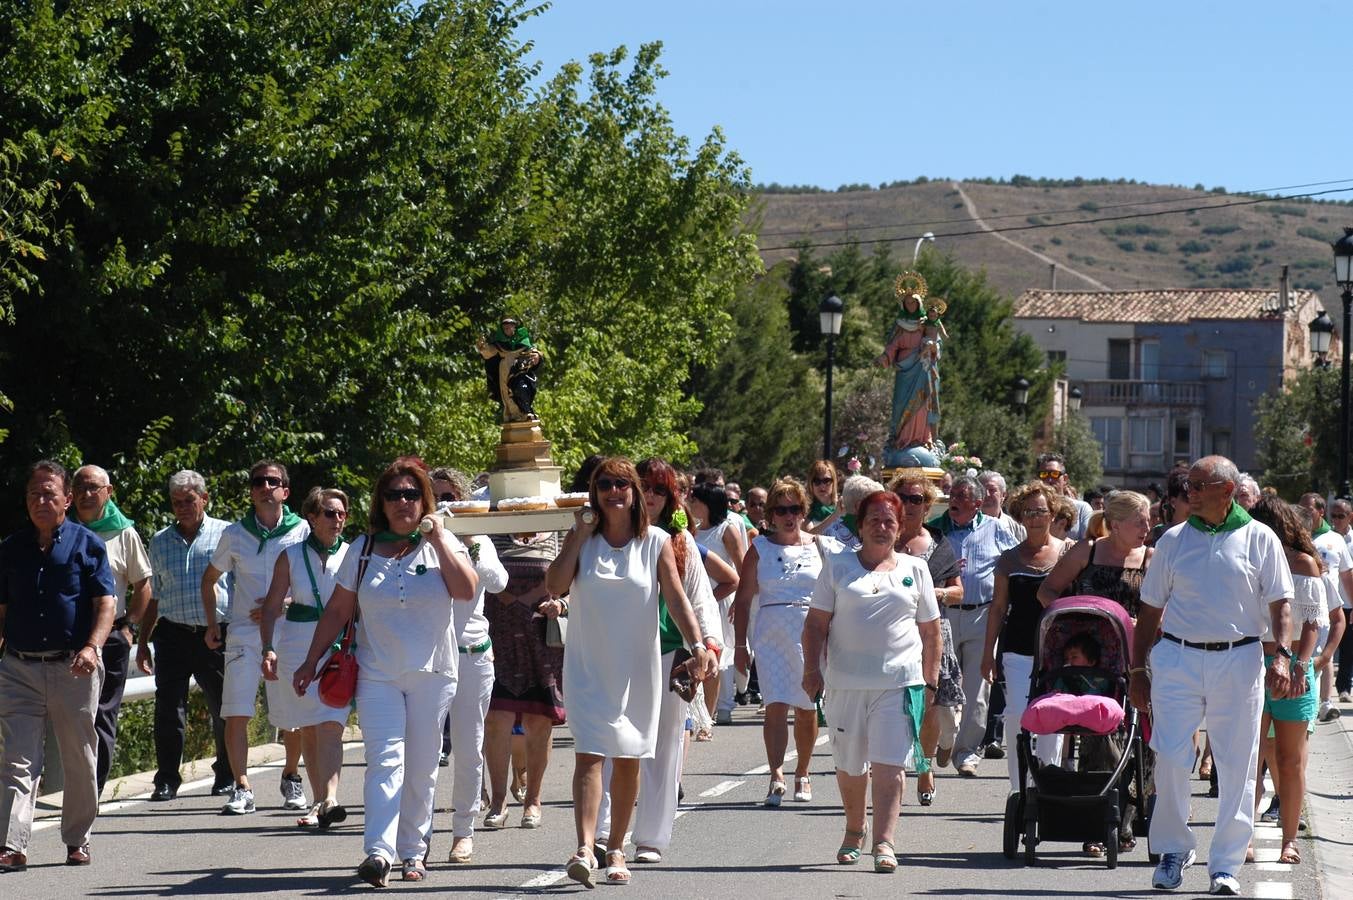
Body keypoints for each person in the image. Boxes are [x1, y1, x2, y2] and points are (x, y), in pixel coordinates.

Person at [294, 457, 478, 886]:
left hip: (432, 673)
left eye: (411, 494)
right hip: (377, 673)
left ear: (424, 500)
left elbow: (466, 589)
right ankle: (379, 852)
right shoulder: (361, 548)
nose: (402, 502)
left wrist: (437, 542)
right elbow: (339, 609)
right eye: (393, 495)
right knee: (384, 761)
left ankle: (414, 851)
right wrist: (310, 660)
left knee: (421, 765)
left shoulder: (441, 544)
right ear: (381, 502)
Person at [545, 457, 714, 888]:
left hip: (638, 668)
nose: (613, 491)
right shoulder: (582, 539)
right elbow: (555, 585)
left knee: (627, 758)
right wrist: (578, 536)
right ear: (595, 492)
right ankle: (585, 846)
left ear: (634, 492)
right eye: (605, 484)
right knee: (589, 755)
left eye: (622, 484)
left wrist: (698, 645)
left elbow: (677, 599)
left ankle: (617, 846)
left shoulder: (656, 540)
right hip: (589, 665)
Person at [1131, 455, 1294, 896]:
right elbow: (1149, 610)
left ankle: (1224, 865)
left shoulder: (1260, 538)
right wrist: (1135, 669)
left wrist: (1281, 655)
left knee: (1238, 765)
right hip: (1178, 658)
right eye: (1189, 484)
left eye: (1199, 485)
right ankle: (1172, 849)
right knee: (1169, 757)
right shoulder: (1173, 541)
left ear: (1226, 490)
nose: (1190, 491)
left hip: (1239, 660)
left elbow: (1281, 603)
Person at [803, 491, 941, 873]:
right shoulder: (838, 566)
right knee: (850, 766)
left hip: (899, 681)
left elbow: (930, 632)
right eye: (874, 521)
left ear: (899, 529)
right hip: (844, 682)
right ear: (860, 526)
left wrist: (930, 680)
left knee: (889, 765)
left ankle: (884, 840)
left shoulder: (916, 570)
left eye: (889, 521)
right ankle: (854, 828)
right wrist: (811, 670)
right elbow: (815, 624)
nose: (882, 527)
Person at [595, 457, 726, 864]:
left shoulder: (680, 541)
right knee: (611, 742)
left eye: (659, 490)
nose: (650, 496)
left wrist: (708, 645)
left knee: (665, 745)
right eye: (645, 487)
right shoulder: (613, 536)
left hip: (671, 654)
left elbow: (699, 600)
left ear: (671, 498)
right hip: (620, 651)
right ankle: (600, 832)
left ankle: (650, 837)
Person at [0, 460, 116, 871]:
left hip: (74, 667)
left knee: (79, 757)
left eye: (50, 493)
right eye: (34, 494)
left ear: (67, 499)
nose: (41, 501)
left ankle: (77, 839)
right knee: (17, 759)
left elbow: (106, 602)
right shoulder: (11, 549)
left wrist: (92, 647)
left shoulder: (88, 545)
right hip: (19, 668)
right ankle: (13, 845)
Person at [201, 461, 310, 816]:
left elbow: (313, 583)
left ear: (285, 491)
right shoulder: (235, 533)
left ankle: (292, 775)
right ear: (251, 491)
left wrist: (284, 603)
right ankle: (242, 785)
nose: (266, 487)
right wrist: (212, 622)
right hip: (245, 634)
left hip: (287, 631)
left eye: (273, 482)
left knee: (291, 712)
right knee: (236, 712)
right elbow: (210, 578)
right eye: (259, 482)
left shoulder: (303, 530)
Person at [733, 478, 837, 807]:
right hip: (771, 632)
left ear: (803, 511)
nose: (789, 515)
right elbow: (744, 597)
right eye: (782, 510)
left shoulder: (820, 547)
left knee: (807, 708)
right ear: (771, 515)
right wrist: (740, 647)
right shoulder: (759, 549)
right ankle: (776, 774)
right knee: (776, 704)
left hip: (810, 632)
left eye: (795, 509)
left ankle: (802, 772)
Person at [259, 487, 354, 829]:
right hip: (298, 645)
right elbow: (270, 607)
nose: (337, 519)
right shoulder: (291, 555)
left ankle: (329, 798)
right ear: (312, 518)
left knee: (331, 723)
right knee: (311, 727)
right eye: (329, 513)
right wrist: (268, 647)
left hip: (340, 646)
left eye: (342, 513)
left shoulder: (353, 554)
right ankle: (320, 801)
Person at [427, 467, 508, 863]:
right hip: (429, 658)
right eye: (436, 496)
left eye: (449, 497)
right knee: (423, 751)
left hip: (473, 655)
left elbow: (498, 581)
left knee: (468, 747)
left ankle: (463, 831)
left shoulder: (478, 539)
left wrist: (469, 543)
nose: (443, 504)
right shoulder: (419, 540)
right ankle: (417, 836)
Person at [136, 470, 232, 801]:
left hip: (215, 632)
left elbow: (238, 584)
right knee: (168, 707)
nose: (183, 508)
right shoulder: (160, 540)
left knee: (223, 706)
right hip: (172, 633)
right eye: (177, 502)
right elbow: (155, 596)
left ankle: (226, 773)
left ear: (204, 499)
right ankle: (166, 779)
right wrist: (143, 642)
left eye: (189, 501)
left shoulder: (225, 534)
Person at [1245, 497, 1324, 866]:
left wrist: (1299, 665)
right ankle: (1242, 837)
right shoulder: (1249, 558)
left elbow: (1313, 621)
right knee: (1250, 759)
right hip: (1249, 663)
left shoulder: (1302, 563)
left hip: (1293, 666)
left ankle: (1289, 840)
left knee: (1290, 761)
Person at [928, 474, 1022, 776]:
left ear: (978, 503)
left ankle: (966, 752)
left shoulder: (997, 529)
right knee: (937, 683)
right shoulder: (936, 530)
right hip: (941, 615)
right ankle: (941, 739)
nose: (952, 499)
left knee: (977, 687)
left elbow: (1016, 562)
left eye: (960, 496)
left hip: (983, 615)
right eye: (952, 494)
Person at [981, 482, 1068, 793]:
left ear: (1053, 513)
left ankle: (1048, 786)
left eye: (1041, 511)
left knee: (1054, 720)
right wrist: (987, 653)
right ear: (1019, 516)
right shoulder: (1009, 559)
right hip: (1017, 649)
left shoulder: (1068, 552)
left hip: (1059, 651)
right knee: (1018, 715)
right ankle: (1020, 791)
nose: (1035, 518)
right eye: (1029, 512)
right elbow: (998, 608)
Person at [70, 465, 152, 795]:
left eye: (94, 488)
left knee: (102, 715)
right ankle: (75, 785)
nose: (87, 494)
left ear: (109, 491)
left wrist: (129, 626)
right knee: (73, 717)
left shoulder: (124, 534)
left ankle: (92, 791)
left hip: (112, 637)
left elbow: (143, 585)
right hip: (69, 637)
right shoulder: (60, 529)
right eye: (80, 488)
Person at [481, 526, 565, 837]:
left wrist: (559, 603)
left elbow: (571, 580)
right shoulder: (491, 532)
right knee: (495, 720)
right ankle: (499, 801)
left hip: (540, 636)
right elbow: (480, 570)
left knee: (538, 720)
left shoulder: (559, 531)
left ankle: (533, 799)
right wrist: (509, 597)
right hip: (497, 632)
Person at [889, 469, 963, 806]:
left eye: (916, 499)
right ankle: (892, 768)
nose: (909, 504)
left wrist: (935, 593)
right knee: (894, 706)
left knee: (931, 707)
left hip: (932, 632)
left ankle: (924, 766)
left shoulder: (938, 543)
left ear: (927, 504)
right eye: (902, 498)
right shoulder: (883, 538)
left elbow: (959, 592)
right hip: (891, 632)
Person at [690, 481, 746, 728]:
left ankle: (712, 714)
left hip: (721, 599)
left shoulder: (727, 529)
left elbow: (743, 568)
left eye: (696, 500)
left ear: (707, 504)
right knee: (695, 654)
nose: (691, 504)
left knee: (716, 658)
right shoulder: (690, 530)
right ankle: (694, 712)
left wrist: (740, 602)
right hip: (694, 601)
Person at [1298, 493, 1352, 722]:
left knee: (1324, 654)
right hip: (1299, 608)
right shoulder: (1296, 537)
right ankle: (1308, 703)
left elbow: (1347, 575)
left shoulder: (1335, 539)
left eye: (1309, 509)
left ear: (1321, 511)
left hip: (1328, 607)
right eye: (1301, 509)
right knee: (1307, 655)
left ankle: (1324, 703)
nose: (1304, 513)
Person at [876, 276, 943, 460]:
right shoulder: (899, 324)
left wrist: (933, 347)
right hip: (903, 370)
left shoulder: (926, 322)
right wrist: (885, 357)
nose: (911, 305)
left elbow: (936, 340)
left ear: (919, 303)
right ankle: (900, 440)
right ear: (903, 304)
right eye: (907, 303)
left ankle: (921, 439)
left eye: (913, 302)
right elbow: (892, 346)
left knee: (921, 405)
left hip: (921, 369)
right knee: (899, 405)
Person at [477, 316, 543, 423]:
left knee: (521, 388)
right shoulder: (499, 343)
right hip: (505, 370)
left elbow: (534, 351)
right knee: (507, 392)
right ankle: (513, 414)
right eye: (505, 328)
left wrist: (537, 356)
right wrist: (482, 348)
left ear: (515, 328)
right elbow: (489, 353)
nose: (508, 330)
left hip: (519, 369)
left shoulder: (523, 341)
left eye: (510, 327)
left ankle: (524, 412)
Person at [817, 475, 885, 551]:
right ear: (860, 506)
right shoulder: (873, 534)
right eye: (876, 503)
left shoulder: (827, 531)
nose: (881, 508)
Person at [1035, 453, 1092, 540]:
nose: (1049, 480)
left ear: (1065, 479)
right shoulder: (1031, 510)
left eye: (1055, 474)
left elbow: (1089, 543)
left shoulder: (1081, 509)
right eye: (1044, 474)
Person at [1330, 498, 1353, 702]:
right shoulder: (1325, 539)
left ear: (1350, 517)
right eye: (1333, 516)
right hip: (1328, 602)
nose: (1336, 520)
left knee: (1347, 647)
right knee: (1325, 645)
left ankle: (1344, 687)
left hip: (1348, 603)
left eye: (1341, 516)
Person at [1148, 466, 1191, 547]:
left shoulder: (1204, 532)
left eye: (1196, 498)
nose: (1193, 504)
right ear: (1173, 502)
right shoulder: (1161, 533)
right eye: (1187, 499)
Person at [979, 470, 1026, 540]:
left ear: (1003, 495)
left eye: (992, 490)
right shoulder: (966, 525)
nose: (987, 495)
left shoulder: (1016, 528)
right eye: (982, 490)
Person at [805, 460, 839, 530]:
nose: (822, 486)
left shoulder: (841, 506)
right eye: (817, 481)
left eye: (827, 481)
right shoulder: (806, 509)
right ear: (811, 483)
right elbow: (809, 535)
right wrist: (835, 515)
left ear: (834, 482)